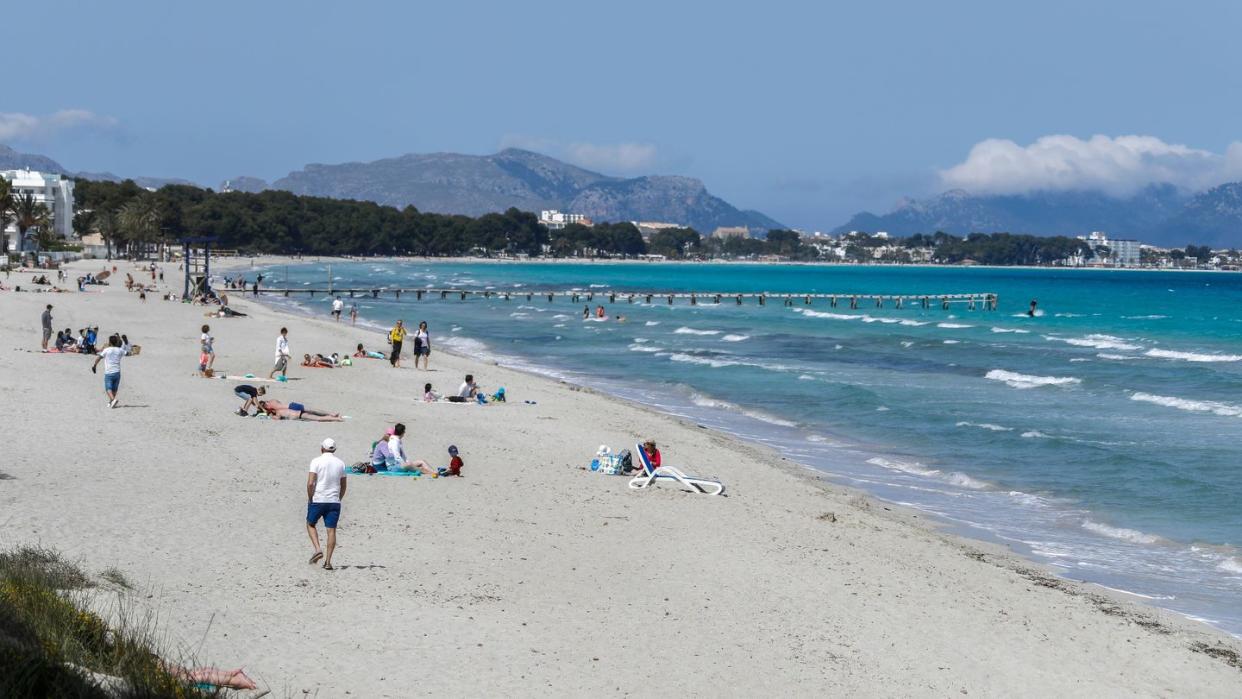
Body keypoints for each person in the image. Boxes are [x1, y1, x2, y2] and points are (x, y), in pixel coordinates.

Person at [306, 438, 346, 570]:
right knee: (331, 530)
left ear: (322, 448)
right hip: (334, 500)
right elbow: (343, 485)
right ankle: (328, 562)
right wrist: (339, 497)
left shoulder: (316, 461)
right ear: (334, 450)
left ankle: (318, 549)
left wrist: (310, 497)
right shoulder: (341, 463)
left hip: (318, 498)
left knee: (310, 524)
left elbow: (311, 482)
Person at [91, 335, 126, 408]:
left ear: (110, 342)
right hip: (117, 372)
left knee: (108, 388)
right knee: (115, 388)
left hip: (109, 372)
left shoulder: (107, 350)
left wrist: (94, 365)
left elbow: (98, 358)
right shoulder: (120, 350)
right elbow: (128, 353)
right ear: (116, 342)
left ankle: (113, 400)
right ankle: (111, 402)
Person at [257, 399, 343, 421]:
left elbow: (275, 415)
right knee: (313, 411)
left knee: (313, 411)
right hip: (292, 408)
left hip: (292, 407)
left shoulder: (271, 403)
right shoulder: (272, 402)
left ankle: (331, 414)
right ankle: (331, 415)